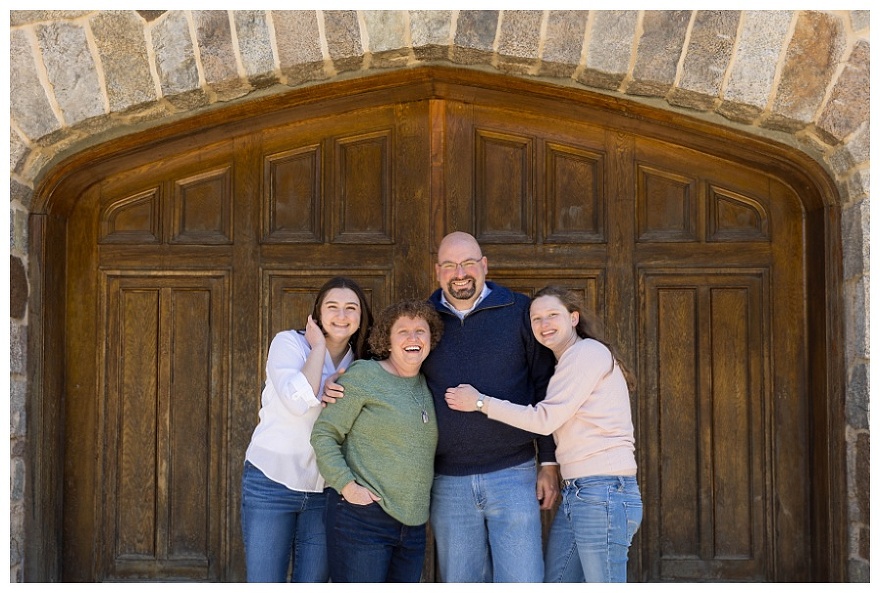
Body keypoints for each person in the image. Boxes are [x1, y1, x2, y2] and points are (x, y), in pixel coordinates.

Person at [445, 285, 643, 583]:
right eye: (536, 318)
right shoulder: (568, 361)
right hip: (580, 492)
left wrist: (480, 402)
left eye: (553, 315)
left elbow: (544, 419)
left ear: (573, 318)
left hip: (603, 493)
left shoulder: (586, 354)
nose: (544, 324)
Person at [421, 231, 559, 582]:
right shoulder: (422, 322)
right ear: (438, 271)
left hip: (513, 475)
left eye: (468, 263)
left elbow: (544, 386)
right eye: (450, 265)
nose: (460, 273)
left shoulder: (519, 312)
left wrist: (548, 462)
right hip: (448, 482)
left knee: (523, 581)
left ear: (484, 265)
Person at [240, 277, 373, 582]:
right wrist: (318, 348)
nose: (342, 315)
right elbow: (297, 402)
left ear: (361, 315)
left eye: (351, 308)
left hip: (325, 491)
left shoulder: (362, 363)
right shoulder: (289, 343)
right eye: (333, 307)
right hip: (271, 482)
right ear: (318, 312)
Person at [310, 299, 444, 583]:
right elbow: (324, 434)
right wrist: (348, 487)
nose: (413, 338)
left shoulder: (427, 384)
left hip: (413, 526)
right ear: (388, 340)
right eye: (403, 332)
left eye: (421, 331)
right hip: (362, 519)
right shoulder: (365, 375)